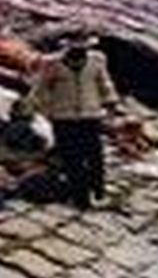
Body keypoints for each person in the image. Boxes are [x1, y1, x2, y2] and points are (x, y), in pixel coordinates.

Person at [18, 34, 121, 209]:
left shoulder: (97, 60)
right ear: (68, 49)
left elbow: (104, 82)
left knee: (94, 156)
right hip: (64, 117)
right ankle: (80, 197)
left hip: (90, 115)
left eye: (82, 50)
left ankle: (98, 190)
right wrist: (30, 108)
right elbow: (41, 88)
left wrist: (111, 103)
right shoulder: (53, 64)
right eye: (75, 50)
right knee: (73, 158)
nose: (78, 53)